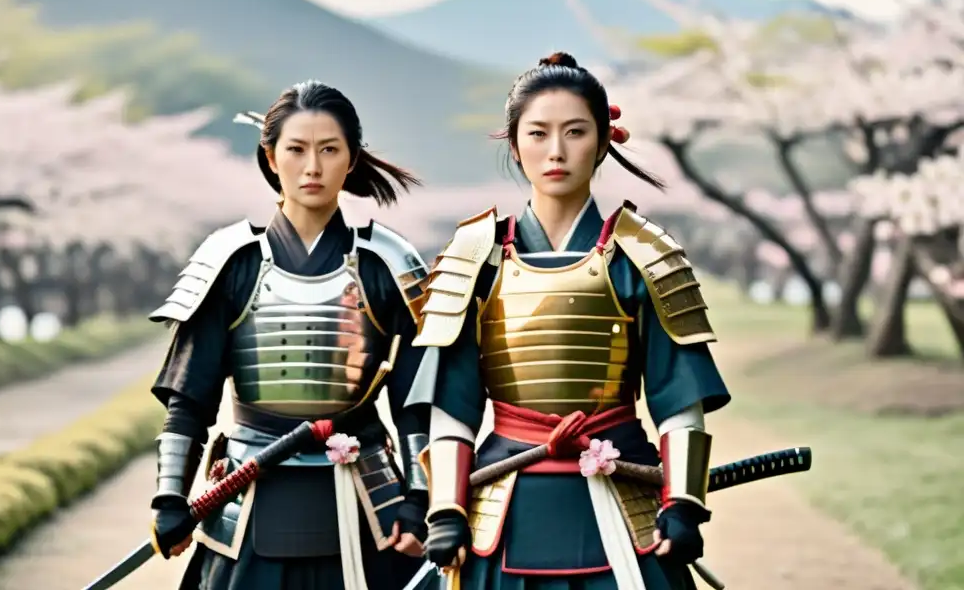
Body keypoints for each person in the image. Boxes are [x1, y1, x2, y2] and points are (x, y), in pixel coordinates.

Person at [409, 52, 732, 589]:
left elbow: (680, 400)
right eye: (538, 134)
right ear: (515, 146)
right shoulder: (474, 256)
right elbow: (452, 403)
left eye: (576, 132)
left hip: (624, 502)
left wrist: (683, 505)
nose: (556, 151)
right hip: (504, 505)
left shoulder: (644, 256)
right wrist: (446, 510)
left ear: (604, 141)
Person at [147, 81, 435, 590]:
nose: (313, 167)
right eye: (297, 150)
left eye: (329, 150)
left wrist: (419, 498)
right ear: (271, 157)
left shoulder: (387, 263)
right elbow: (190, 395)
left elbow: (418, 397)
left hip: (369, 499)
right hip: (249, 491)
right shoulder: (229, 261)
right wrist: (170, 497)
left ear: (351, 160)